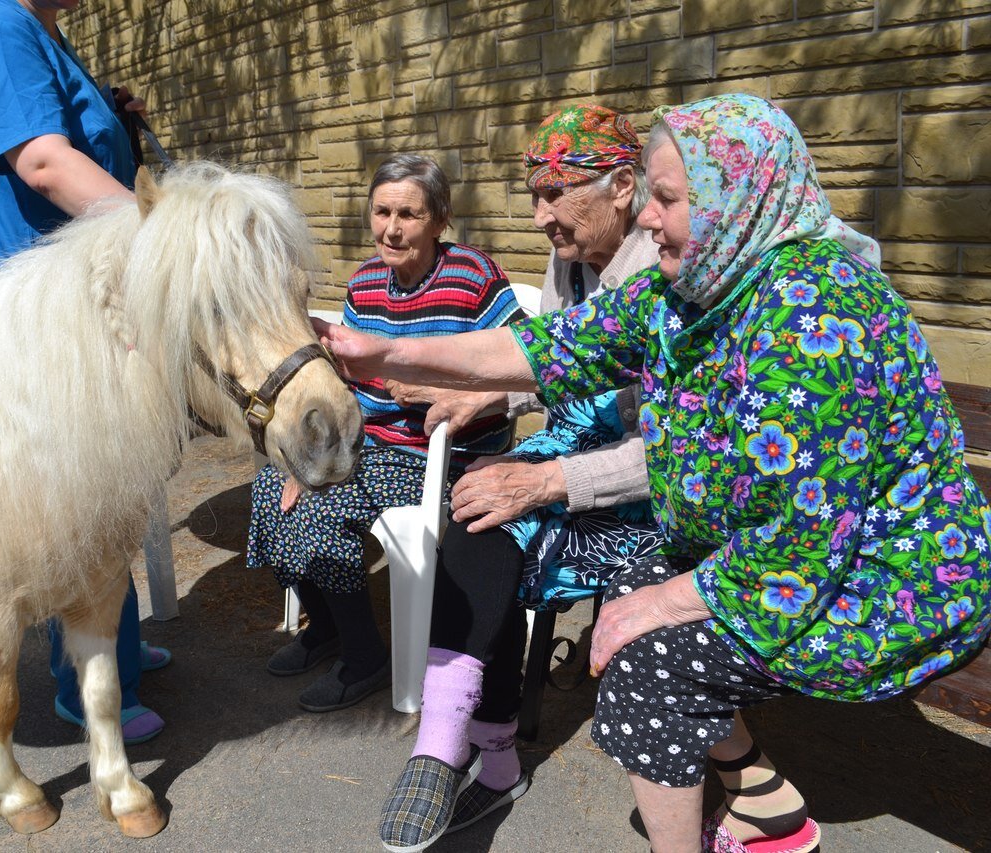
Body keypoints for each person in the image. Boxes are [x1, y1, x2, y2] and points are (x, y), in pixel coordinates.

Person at [322, 94, 990, 853]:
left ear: (741, 200)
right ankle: (764, 804)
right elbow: (544, 350)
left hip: (886, 582)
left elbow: (795, 548)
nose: (646, 215)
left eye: (666, 198)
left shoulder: (812, 316)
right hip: (779, 555)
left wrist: (658, 603)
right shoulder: (692, 286)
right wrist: (381, 353)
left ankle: (722, 824)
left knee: (645, 665)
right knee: (595, 575)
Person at [375, 106, 667, 852]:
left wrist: (547, 482)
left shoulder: (664, 269)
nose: (539, 218)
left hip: (649, 483)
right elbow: (557, 366)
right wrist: (491, 396)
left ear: (623, 187)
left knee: (509, 509)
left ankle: (485, 756)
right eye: (534, 194)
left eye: (554, 194)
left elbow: (679, 453)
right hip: (581, 442)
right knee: (476, 502)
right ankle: (459, 750)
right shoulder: (573, 254)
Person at [0, 0, 168, 744]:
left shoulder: (34, 29)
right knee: (73, 505)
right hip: (30, 322)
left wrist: (108, 110)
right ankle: (85, 681)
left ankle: (114, 650)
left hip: (65, 305)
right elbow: (41, 162)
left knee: (102, 494)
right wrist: (171, 235)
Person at [247, 153, 524, 713]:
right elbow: (340, 381)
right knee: (270, 492)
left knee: (321, 514)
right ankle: (327, 626)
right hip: (370, 444)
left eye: (409, 214)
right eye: (381, 212)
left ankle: (365, 656)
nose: (391, 229)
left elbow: (528, 365)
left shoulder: (474, 275)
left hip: (441, 456)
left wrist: (454, 394)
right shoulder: (366, 281)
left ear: (440, 221)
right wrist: (307, 458)